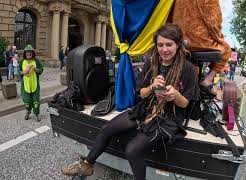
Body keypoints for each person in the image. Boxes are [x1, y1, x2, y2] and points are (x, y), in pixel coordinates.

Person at [62, 24, 197, 180]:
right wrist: (152, 87)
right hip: (145, 109)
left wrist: (175, 95)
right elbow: (141, 93)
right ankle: (87, 165)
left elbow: (185, 103)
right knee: (106, 128)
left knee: (132, 150)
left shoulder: (188, 69)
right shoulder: (152, 63)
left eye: (169, 44)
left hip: (168, 117)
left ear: (178, 45)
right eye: (160, 45)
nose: (164, 49)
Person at [169, 0, 231, 91]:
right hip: (198, 40)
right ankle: (207, 81)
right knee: (226, 49)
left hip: (178, 39)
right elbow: (213, 22)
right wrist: (219, 38)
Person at [19, 45, 43, 122]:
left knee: (36, 101)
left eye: (30, 52)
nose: (28, 53)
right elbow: (17, 71)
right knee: (27, 101)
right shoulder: (22, 61)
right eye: (27, 52)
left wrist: (35, 69)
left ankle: (36, 114)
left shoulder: (36, 61)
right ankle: (28, 111)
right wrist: (23, 72)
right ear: (25, 53)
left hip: (35, 85)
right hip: (25, 85)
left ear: (32, 53)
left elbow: (41, 70)